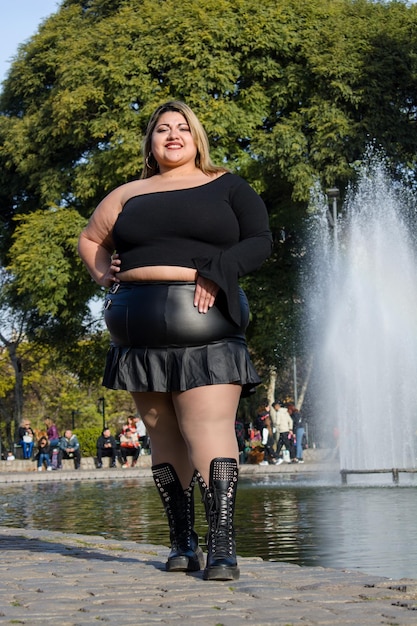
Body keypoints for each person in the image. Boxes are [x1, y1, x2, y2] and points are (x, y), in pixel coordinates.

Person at [78, 100, 272, 581]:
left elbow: (261, 239)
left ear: (196, 138)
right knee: (163, 435)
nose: (172, 135)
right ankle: (182, 543)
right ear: (150, 141)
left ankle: (222, 548)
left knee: (206, 428)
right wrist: (104, 273)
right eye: (162, 129)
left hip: (205, 321)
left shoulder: (227, 185)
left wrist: (220, 269)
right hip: (135, 327)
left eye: (182, 128)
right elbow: (90, 239)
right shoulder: (128, 193)